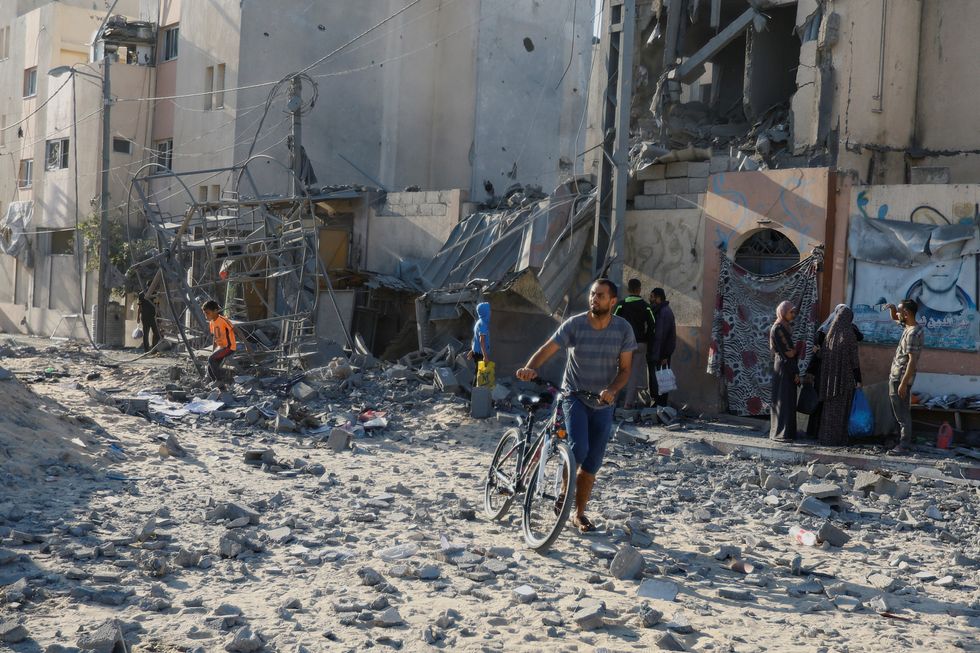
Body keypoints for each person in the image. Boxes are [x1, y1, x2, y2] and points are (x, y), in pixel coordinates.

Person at [516, 279, 636, 533]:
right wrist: (530, 367)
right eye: (592, 294)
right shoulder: (575, 324)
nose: (594, 299)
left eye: (600, 295)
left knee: (593, 462)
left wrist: (612, 390)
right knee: (578, 448)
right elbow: (548, 348)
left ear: (612, 301)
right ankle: (564, 492)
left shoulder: (623, 329)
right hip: (574, 396)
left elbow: (625, 370)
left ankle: (578, 514)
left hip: (603, 403)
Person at [805, 304, 864, 439]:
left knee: (827, 410)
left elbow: (819, 354)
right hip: (844, 381)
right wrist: (858, 380)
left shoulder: (828, 335)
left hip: (827, 380)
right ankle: (837, 438)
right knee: (841, 410)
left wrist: (811, 371)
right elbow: (854, 361)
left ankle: (825, 437)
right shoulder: (850, 335)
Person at [884, 299, 924, 454]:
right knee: (897, 411)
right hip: (898, 376)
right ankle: (898, 441)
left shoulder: (913, 333)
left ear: (906, 313)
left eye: (900, 311)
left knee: (901, 414)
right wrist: (893, 309)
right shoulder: (911, 326)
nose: (897, 315)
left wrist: (903, 383)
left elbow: (912, 361)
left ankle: (903, 444)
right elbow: (896, 318)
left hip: (900, 377)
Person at [612, 279, 656, 408]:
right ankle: (628, 403)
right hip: (640, 344)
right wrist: (647, 339)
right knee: (634, 375)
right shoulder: (646, 306)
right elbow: (653, 325)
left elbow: (613, 322)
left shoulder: (621, 305)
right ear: (639, 289)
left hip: (624, 345)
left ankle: (612, 401)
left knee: (620, 372)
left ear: (628, 289)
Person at [769, 300, 799, 443]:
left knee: (788, 400)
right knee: (783, 399)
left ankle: (788, 433)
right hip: (783, 367)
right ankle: (781, 433)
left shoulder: (785, 327)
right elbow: (789, 353)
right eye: (790, 312)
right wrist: (796, 350)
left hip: (786, 366)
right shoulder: (778, 328)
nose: (793, 314)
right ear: (783, 312)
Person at [648, 287, 676, 406]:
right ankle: (656, 404)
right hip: (655, 353)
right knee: (655, 380)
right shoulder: (658, 311)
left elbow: (668, 336)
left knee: (662, 381)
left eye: (652, 296)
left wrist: (665, 355)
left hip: (661, 354)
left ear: (658, 298)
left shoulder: (665, 312)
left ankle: (661, 405)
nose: (650, 299)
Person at [203, 300, 236, 387]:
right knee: (210, 366)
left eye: (208, 313)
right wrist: (214, 351)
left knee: (211, 359)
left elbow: (236, 330)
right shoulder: (211, 322)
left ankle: (221, 380)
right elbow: (215, 337)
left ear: (215, 311)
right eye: (205, 314)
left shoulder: (223, 320)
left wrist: (247, 345)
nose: (206, 316)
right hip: (220, 348)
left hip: (229, 347)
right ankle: (220, 387)